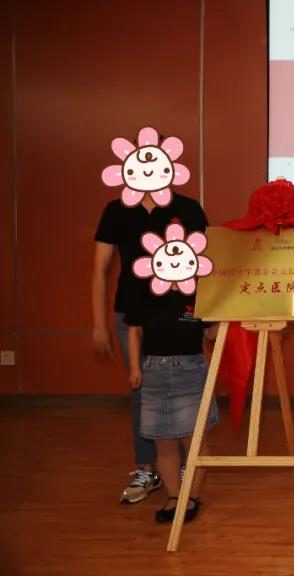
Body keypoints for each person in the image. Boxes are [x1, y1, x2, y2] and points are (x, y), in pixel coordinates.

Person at [93, 185, 207, 503]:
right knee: (143, 390)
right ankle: (147, 469)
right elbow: (100, 269)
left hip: (180, 312)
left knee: (185, 391)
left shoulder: (188, 208)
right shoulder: (116, 210)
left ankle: (182, 466)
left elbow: (206, 261)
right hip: (132, 315)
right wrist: (99, 325)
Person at [125, 287, 218, 524]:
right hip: (154, 371)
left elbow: (211, 334)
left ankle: (192, 496)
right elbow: (134, 329)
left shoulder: (199, 293)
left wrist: (222, 309)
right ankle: (175, 496)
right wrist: (135, 367)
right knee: (163, 442)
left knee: (194, 442)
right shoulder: (145, 293)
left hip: (191, 370)